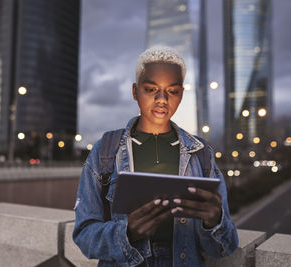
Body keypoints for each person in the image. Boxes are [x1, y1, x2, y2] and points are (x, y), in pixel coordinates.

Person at [73, 46, 239, 266]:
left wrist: (214, 221)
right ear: (135, 91)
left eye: (172, 91)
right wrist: (126, 233)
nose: (162, 99)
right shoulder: (106, 150)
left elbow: (225, 247)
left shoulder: (201, 154)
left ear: (181, 94)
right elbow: (84, 236)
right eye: (151, 89)